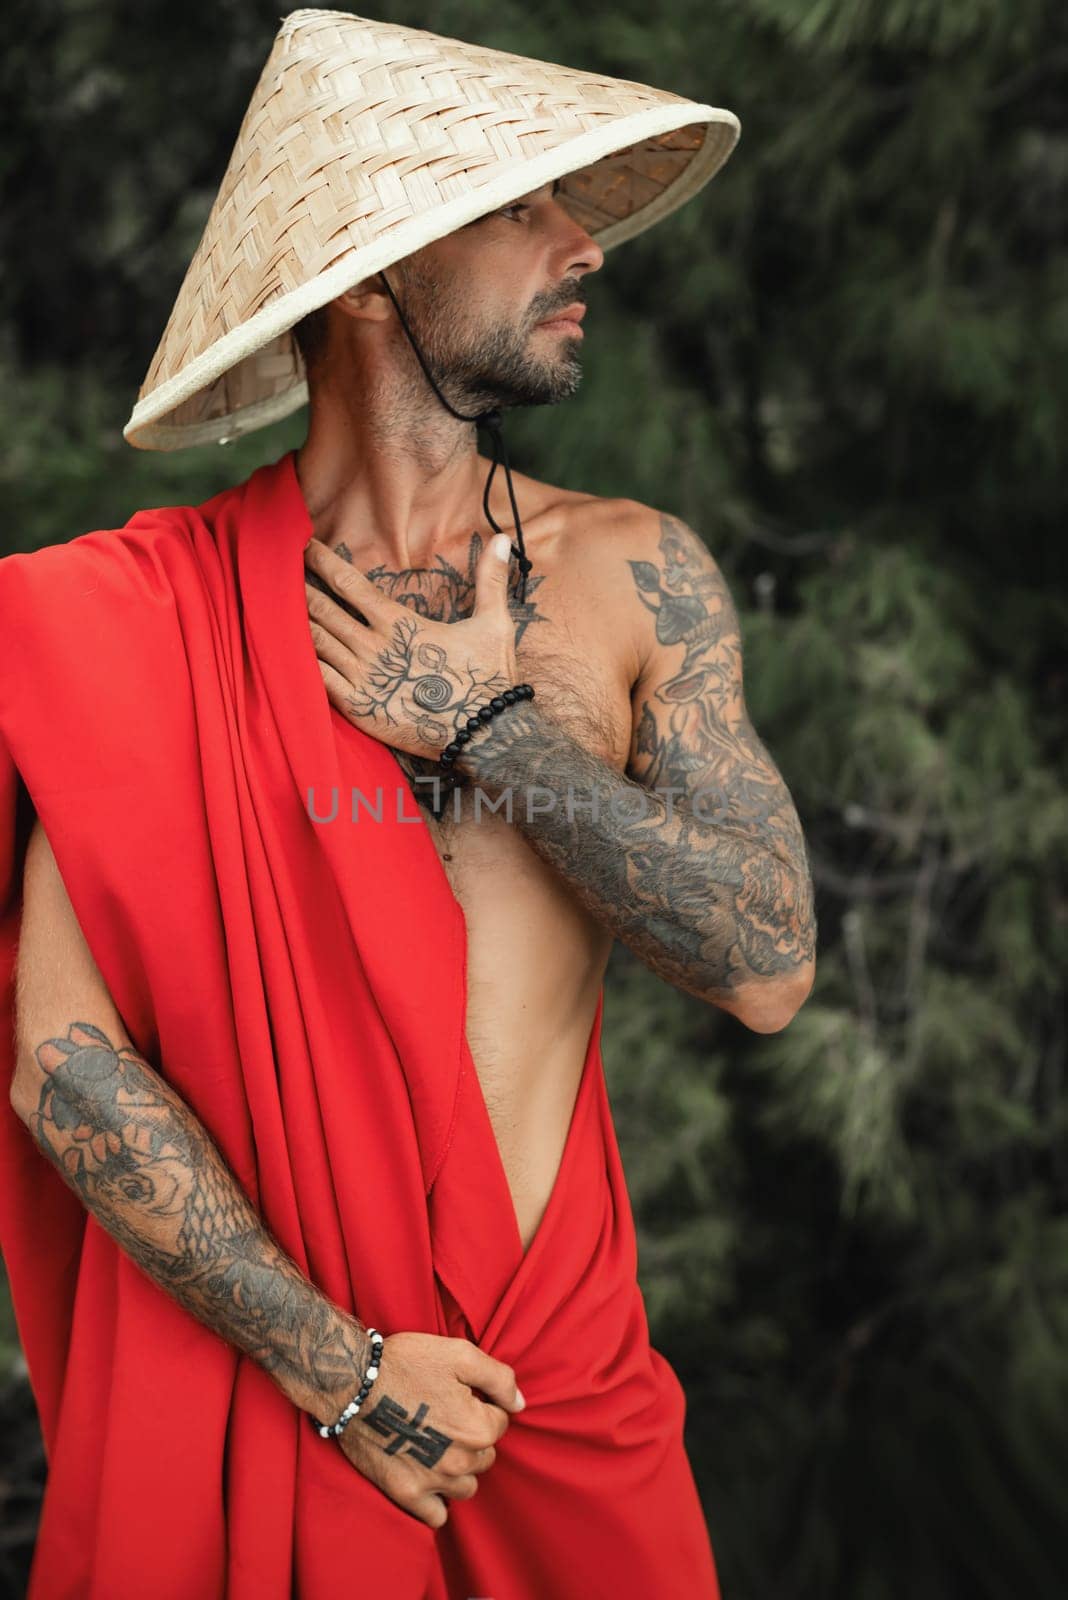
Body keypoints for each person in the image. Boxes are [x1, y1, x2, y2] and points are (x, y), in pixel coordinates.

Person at [0, 10, 814, 1597]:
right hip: (307, 1392)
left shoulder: (633, 573)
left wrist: (494, 730)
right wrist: (342, 1370)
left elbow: (770, 963)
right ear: (373, 272)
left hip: (553, 1401)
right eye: (524, 209)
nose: (585, 246)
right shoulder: (142, 619)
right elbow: (60, 1063)